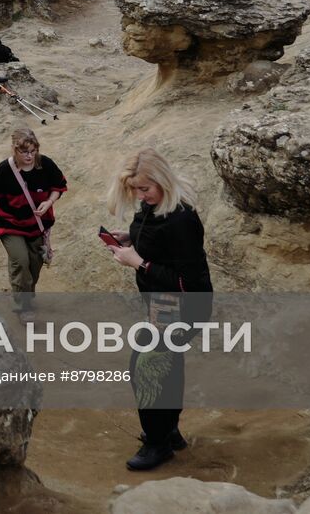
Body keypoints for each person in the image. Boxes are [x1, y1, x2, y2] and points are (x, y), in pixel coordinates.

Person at [103, 148, 212, 472]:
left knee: (146, 368)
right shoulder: (152, 207)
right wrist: (130, 238)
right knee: (165, 364)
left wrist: (138, 262)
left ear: (162, 181)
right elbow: (155, 241)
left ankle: (157, 443)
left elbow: (186, 283)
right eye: (135, 190)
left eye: (145, 189)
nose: (140, 195)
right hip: (162, 305)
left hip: (184, 306)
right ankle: (168, 431)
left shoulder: (181, 219)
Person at [0, 127, 66, 315]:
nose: (29, 156)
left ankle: (26, 295)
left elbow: (59, 186)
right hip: (9, 223)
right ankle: (24, 307)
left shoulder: (45, 165)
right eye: (24, 152)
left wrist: (49, 201)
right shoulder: (4, 170)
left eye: (33, 151)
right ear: (15, 149)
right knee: (20, 261)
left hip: (37, 224)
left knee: (34, 265)